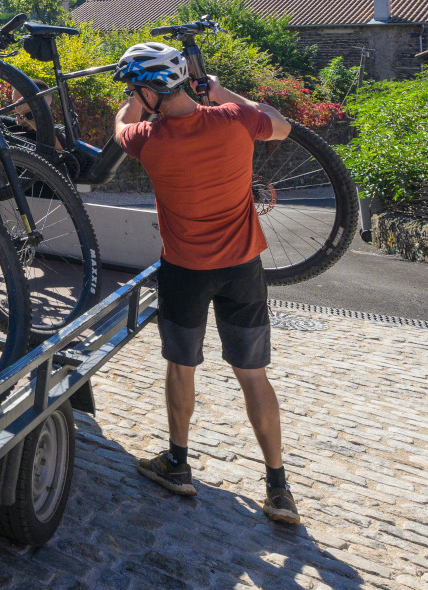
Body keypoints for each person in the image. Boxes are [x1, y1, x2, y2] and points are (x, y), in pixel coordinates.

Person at [111, 40, 300, 525]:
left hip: (185, 271)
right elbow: (281, 124)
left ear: (148, 93)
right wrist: (218, 91)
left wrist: (133, 98)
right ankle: (278, 489)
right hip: (243, 268)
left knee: (181, 367)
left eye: (138, 88)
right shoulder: (235, 119)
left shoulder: (148, 139)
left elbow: (119, 128)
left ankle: (178, 464)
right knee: (253, 376)